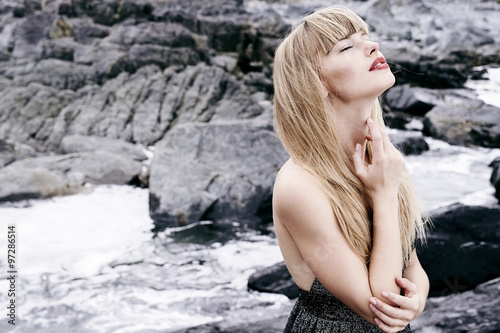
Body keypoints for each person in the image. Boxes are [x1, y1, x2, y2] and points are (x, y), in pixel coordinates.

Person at [272, 6, 430, 333]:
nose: (372, 47)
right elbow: (381, 305)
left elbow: (410, 265)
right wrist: (383, 194)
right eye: (346, 47)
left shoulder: (379, 159)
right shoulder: (299, 184)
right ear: (314, 83)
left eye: (366, 38)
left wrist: (416, 302)